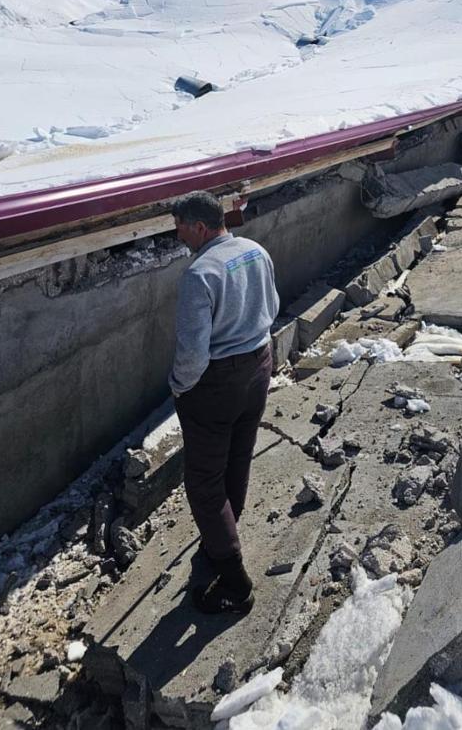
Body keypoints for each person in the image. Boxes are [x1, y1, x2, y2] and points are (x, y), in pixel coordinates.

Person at [170, 190, 279, 614]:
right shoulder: (254, 251)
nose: (178, 236)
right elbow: (271, 306)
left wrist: (180, 386)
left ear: (199, 227)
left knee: (202, 481)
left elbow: (193, 354)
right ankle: (222, 536)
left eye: (180, 227)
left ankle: (234, 580)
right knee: (238, 457)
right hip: (259, 366)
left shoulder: (199, 275)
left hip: (216, 382)